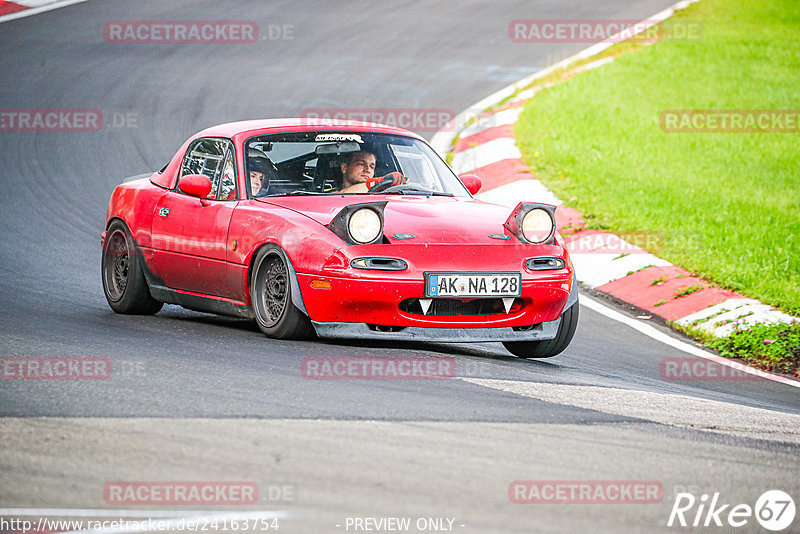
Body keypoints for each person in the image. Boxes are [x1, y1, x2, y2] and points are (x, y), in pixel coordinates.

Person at [338, 149, 408, 193]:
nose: (368, 170)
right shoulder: (330, 194)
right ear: (344, 168)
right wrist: (379, 182)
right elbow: (343, 195)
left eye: (372, 167)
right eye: (361, 164)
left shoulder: (383, 194)